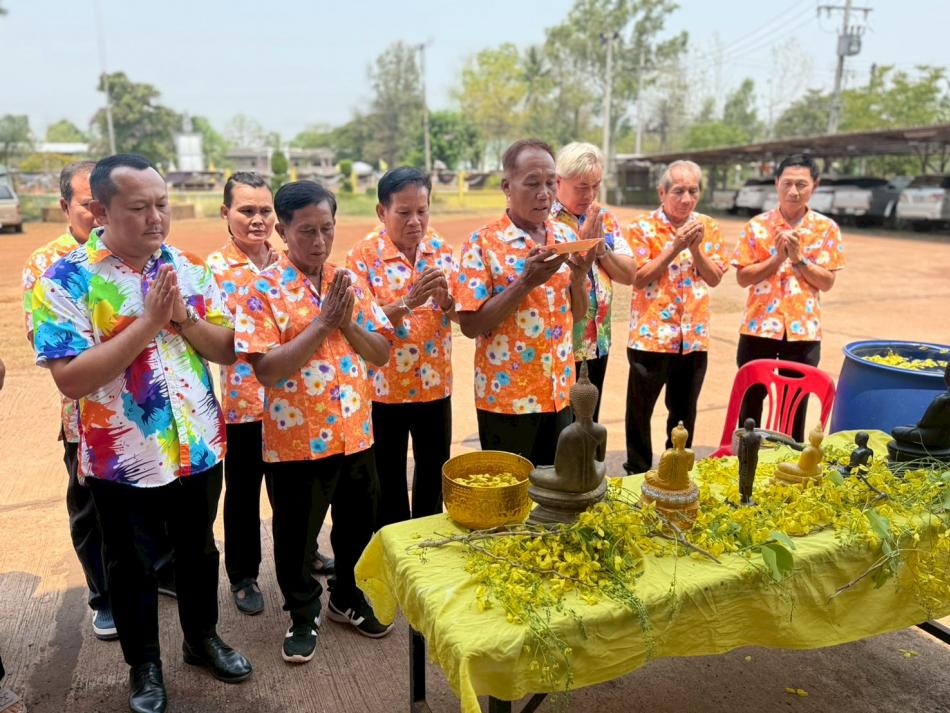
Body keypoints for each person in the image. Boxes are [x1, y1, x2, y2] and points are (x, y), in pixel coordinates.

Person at [32, 154, 251, 713]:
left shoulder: (191, 267)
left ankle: (202, 640)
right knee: (128, 565)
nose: (156, 218)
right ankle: (144, 666)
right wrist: (148, 324)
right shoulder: (65, 280)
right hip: (120, 457)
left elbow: (227, 349)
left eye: (162, 204)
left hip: (197, 445)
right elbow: (73, 379)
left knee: (199, 551)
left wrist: (182, 320)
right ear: (103, 210)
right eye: (140, 207)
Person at [235, 180, 394, 665]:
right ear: (282, 230)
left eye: (327, 228)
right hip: (298, 443)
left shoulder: (348, 281)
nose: (319, 241)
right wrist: (322, 324)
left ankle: (346, 595)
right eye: (307, 231)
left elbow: (382, 352)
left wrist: (346, 323)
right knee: (296, 536)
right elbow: (266, 368)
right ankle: (302, 612)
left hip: (355, 434)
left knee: (357, 525)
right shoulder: (261, 291)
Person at [454, 139, 595, 465]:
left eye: (550, 182)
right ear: (507, 186)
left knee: (554, 496)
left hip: (558, 395)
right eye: (532, 183)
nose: (544, 193)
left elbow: (578, 315)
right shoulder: (482, 243)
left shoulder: (564, 237)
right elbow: (470, 325)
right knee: (511, 499)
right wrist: (525, 282)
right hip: (508, 401)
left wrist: (577, 277)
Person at [21, 161, 117, 640]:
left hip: (142, 413)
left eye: (105, 203)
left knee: (147, 505)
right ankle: (103, 597)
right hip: (85, 414)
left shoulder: (133, 253)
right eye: (87, 205)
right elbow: (50, 344)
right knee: (91, 508)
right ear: (65, 207)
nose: (99, 214)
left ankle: (158, 575)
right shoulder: (46, 267)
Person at [346, 167, 455, 527]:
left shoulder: (441, 249)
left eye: (422, 211)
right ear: (382, 212)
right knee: (388, 481)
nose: (415, 221)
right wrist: (408, 302)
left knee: (433, 475)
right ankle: (394, 552)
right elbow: (360, 326)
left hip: (435, 387)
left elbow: (458, 312)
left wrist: (446, 300)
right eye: (404, 212)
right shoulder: (361, 256)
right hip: (384, 391)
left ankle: (426, 551)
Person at [623, 160, 728, 473]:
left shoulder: (708, 226)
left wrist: (695, 249)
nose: (686, 198)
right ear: (662, 192)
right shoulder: (641, 227)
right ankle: (638, 468)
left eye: (693, 191)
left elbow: (714, 277)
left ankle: (675, 469)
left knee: (684, 412)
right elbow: (639, 278)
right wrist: (675, 246)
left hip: (692, 339)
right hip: (650, 337)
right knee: (640, 411)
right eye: (678, 191)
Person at [731, 153, 845, 442]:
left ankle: (788, 458)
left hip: (802, 332)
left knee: (795, 403)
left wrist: (798, 260)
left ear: (814, 186)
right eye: (787, 183)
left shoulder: (826, 229)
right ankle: (746, 456)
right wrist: (776, 258)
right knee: (752, 401)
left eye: (801, 184)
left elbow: (827, 281)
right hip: (759, 327)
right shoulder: (757, 226)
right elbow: (743, 277)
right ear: (776, 184)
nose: (793, 191)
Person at [206, 172, 279, 615]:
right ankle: (244, 574)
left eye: (265, 211)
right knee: (244, 492)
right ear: (226, 213)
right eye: (246, 210)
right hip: (243, 404)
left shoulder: (286, 263)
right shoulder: (212, 270)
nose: (257, 219)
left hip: (293, 403)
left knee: (296, 491)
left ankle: (304, 552)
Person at [551, 142, 635, 420]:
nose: (589, 195)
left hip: (597, 341)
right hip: (560, 345)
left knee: (589, 422)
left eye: (595, 186)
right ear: (558, 181)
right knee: (562, 426)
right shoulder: (546, 222)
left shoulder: (605, 218)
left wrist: (601, 250)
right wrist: (581, 243)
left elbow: (629, 273)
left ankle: (588, 465)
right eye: (581, 187)